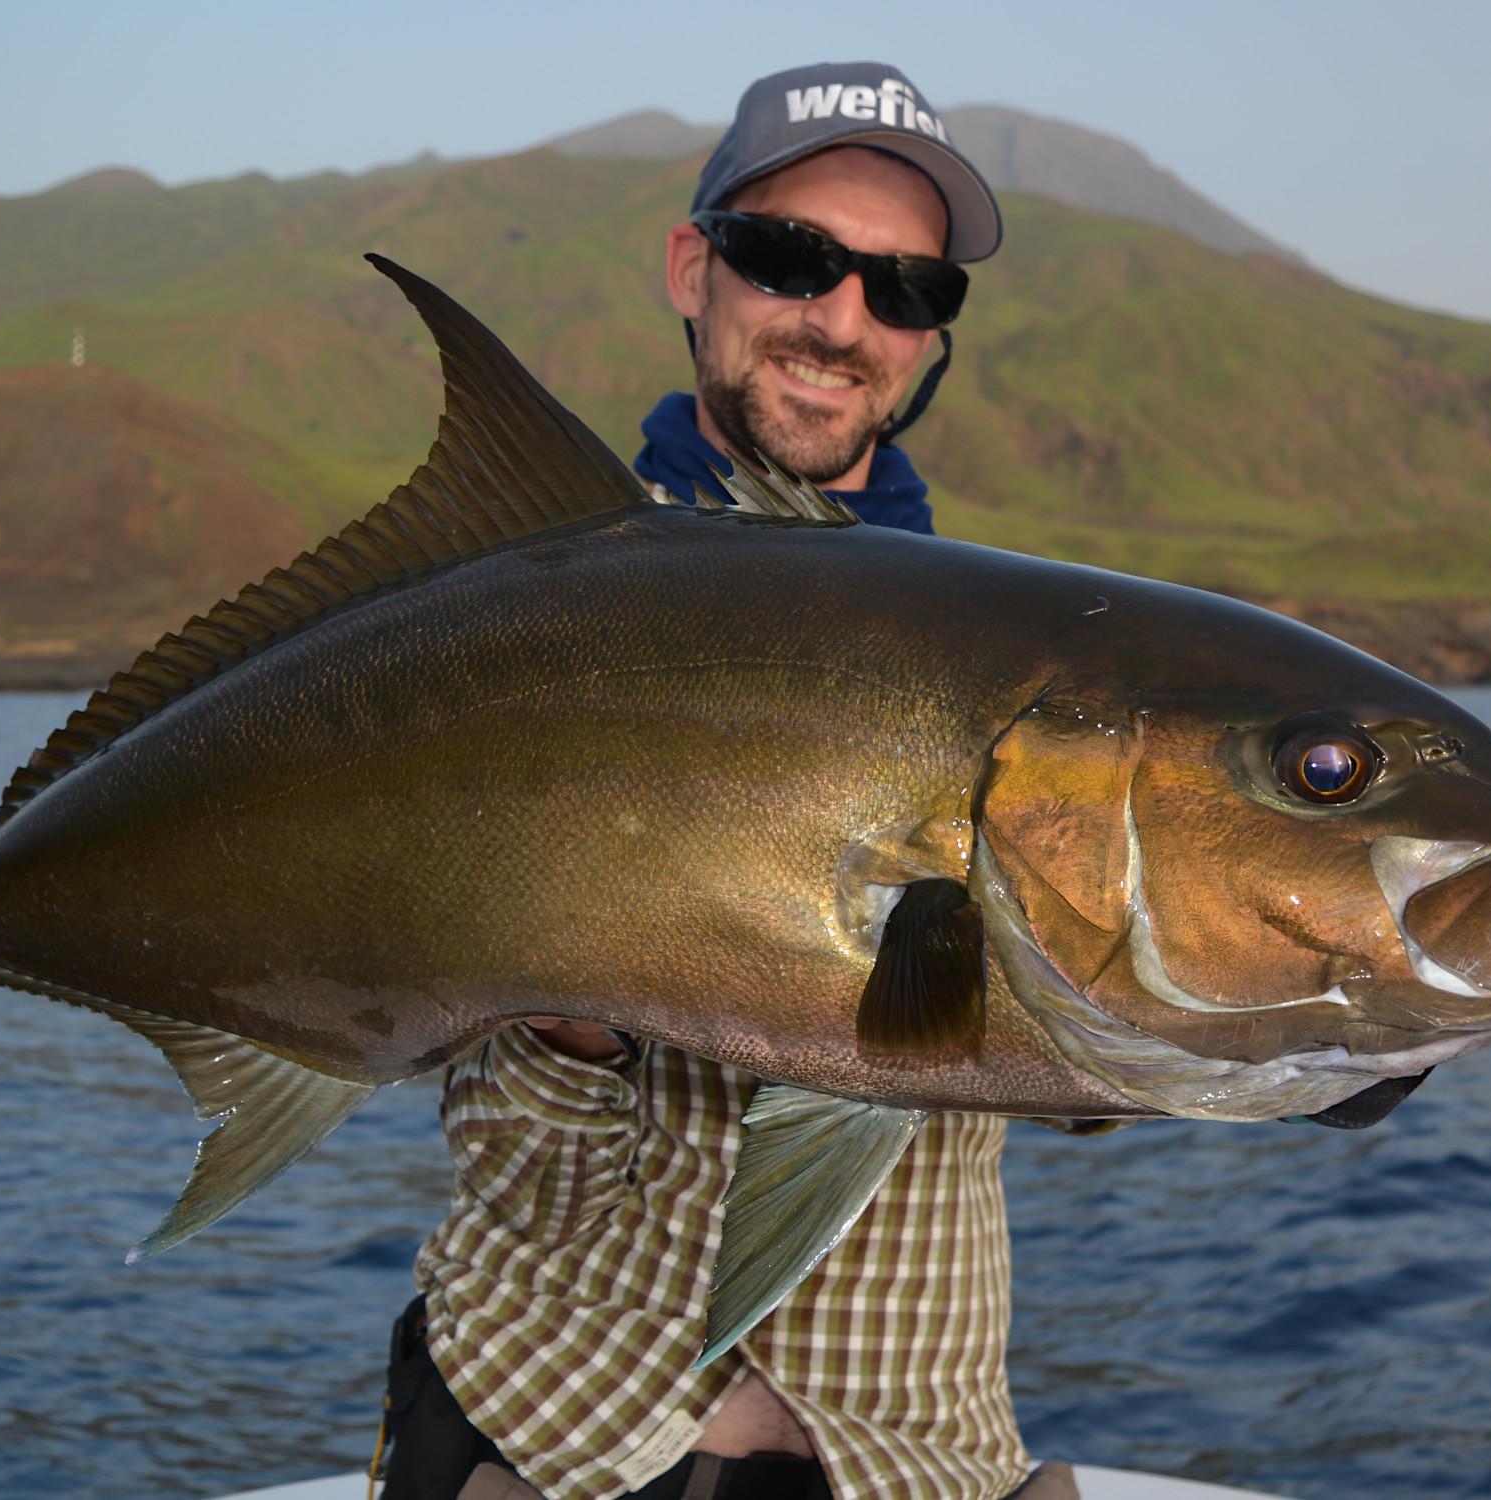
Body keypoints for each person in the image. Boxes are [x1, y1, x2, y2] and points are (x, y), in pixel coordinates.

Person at [384, 63, 1078, 1500]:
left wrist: (1321, 1016)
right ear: (694, 268)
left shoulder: (1022, 672)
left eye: (908, 290)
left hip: (912, 1461)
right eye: (792, 259)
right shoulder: (516, 625)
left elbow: (1092, 1056)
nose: (844, 322)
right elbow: (514, 1169)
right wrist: (578, 1035)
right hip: (548, 1428)